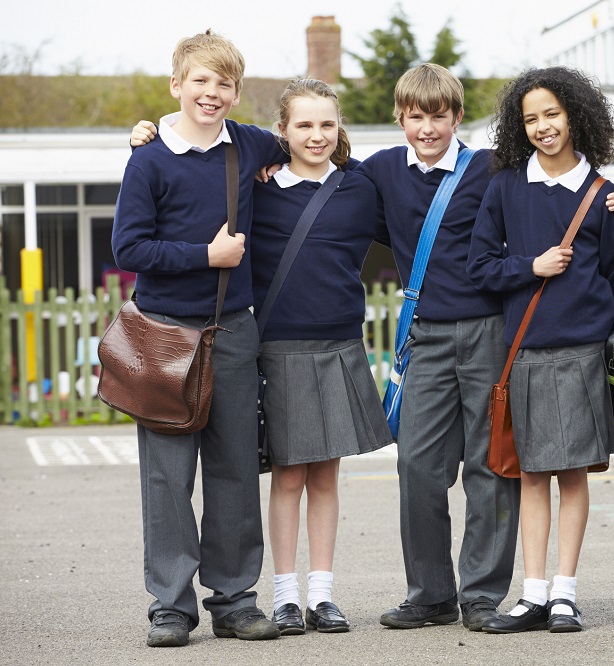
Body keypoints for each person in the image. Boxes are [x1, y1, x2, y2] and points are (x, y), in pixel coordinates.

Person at [357, 63, 614, 633]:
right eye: (415, 116)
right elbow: (321, 172)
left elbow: (568, 193)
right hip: (426, 333)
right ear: (400, 118)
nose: (428, 127)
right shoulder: (381, 169)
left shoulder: (492, 168)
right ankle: (429, 593)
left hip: (492, 332)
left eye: (439, 115)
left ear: (459, 116)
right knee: (418, 465)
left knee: (492, 465)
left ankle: (482, 594)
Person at [111, 29, 287, 647]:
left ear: (237, 94)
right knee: (166, 476)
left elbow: (310, 141)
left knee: (236, 469)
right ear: (176, 86)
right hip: (164, 338)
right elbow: (128, 248)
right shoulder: (149, 156)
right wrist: (205, 255)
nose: (211, 93)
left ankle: (235, 598)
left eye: (224, 84)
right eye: (201, 81)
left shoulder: (251, 144)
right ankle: (170, 604)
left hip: (234, 332)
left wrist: (328, 141)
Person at [466, 66, 614, 634]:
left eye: (552, 114)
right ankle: (531, 593)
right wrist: (529, 267)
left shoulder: (606, 195)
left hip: (582, 353)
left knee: (574, 475)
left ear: (576, 116)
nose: (542, 127)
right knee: (531, 474)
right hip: (525, 352)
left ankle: (565, 593)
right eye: (530, 118)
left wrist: (586, 322)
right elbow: (480, 266)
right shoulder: (506, 186)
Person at [251, 79, 393, 635]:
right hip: (278, 346)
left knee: (327, 477)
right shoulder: (259, 187)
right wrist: (148, 133)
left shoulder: (360, 187)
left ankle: (322, 594)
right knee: (288, 477)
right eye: (304, 125)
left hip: (339, 344)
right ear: (282, 130)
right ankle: (285, 596)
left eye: (327, 124)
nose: (316, 135)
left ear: (340, 129)